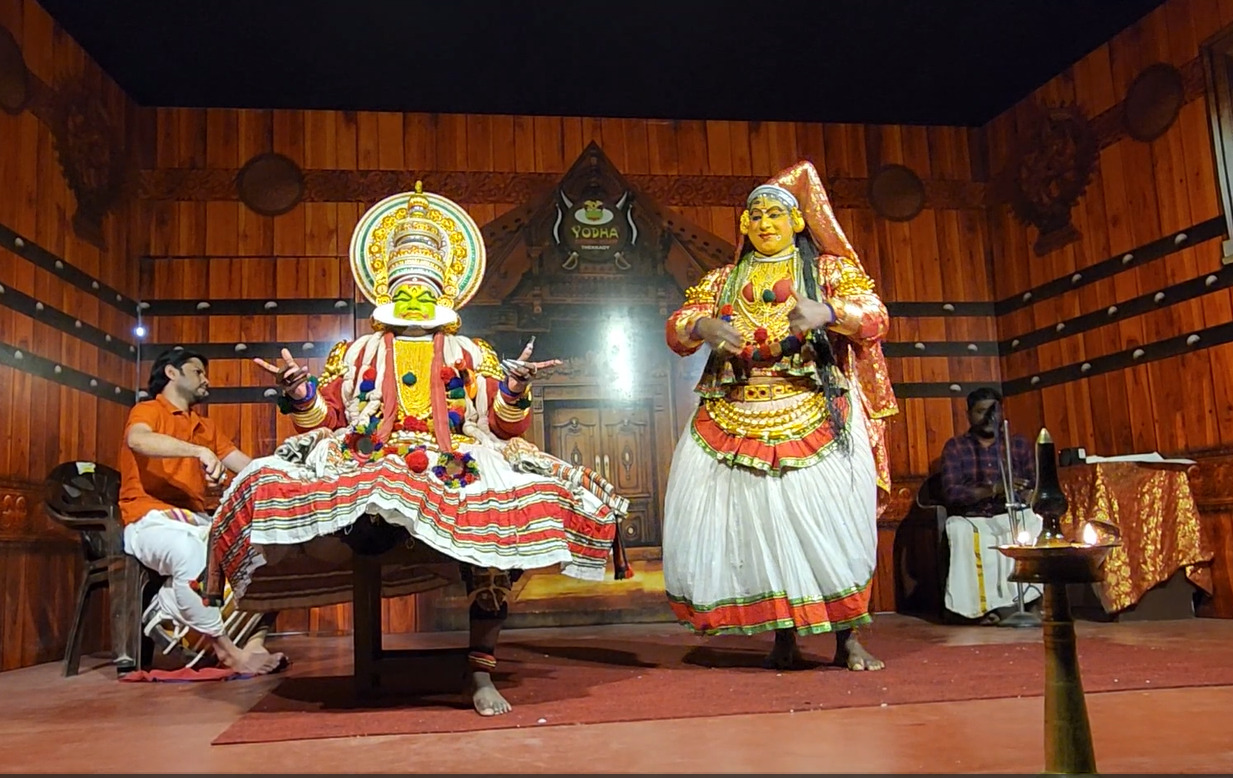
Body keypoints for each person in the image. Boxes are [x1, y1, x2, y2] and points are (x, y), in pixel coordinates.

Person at [205, 182, 629, 716]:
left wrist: (517, 387)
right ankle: (371, 595)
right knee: (296, 489)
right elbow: (325, 419)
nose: (413, 296)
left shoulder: (471, 351)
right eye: (404, 286)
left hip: (460, 460)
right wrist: (298, 390)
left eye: (424, 287)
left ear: (443, 292)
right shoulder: (354, 351)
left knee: (499, 539)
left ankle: (480, 671)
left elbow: (503, 426)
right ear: (385, 288)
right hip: (370, 458)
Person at [662, 160, 899, 671]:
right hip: (734, 412)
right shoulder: (724, 279)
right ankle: (782, 636)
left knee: (831, 525)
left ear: (797, 222)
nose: (766, 223)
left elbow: (876, 315)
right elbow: (677, 326)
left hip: (815, 407)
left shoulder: (829, 271)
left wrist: (830, 313)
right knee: (758, 530)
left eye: (776, 214)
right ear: (744, 226)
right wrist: (703, 324)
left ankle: (847, 638)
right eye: (757, 216)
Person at [119, 347, 286, 675]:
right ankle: (226, 653)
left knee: (273, 551)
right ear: (171, 373)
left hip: (196, 520)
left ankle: (254, 643)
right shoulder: (148, 410)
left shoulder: (205, 427)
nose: (206, 380)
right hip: (148, 520)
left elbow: (245, 466)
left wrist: (289, 475)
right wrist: (198, 452)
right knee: (191, 550)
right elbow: (138, 440)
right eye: (198, 372)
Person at [938, 387, 1042, 624]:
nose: (987, 417)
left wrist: (1027, 493)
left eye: (992, 411)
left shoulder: (1015, 444)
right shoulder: (956, 447)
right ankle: (979, 610)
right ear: (969, 414)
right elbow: (952, 493)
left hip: (1009, 513)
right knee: (962, 532)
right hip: (972, 516)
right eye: (980, 411)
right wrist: (991, 490)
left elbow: (1034, 484)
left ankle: (1025, 602)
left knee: (1033, 523)